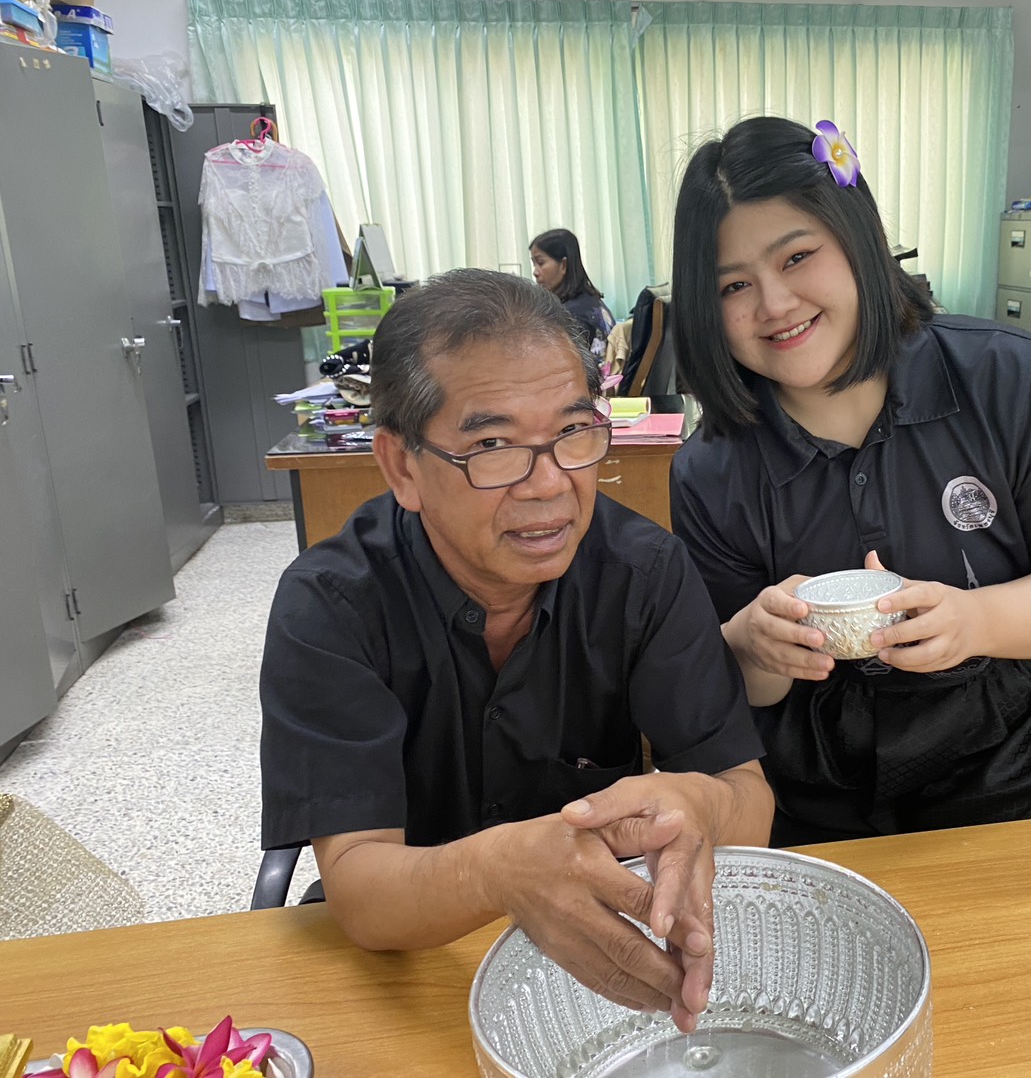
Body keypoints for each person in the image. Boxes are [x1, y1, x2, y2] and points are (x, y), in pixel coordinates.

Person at [259, 269, 772, 1030]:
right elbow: (362, 889)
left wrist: (698, 800)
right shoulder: (331, 605)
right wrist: (499, 870)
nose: (548, 487)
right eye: (492, 445)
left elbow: (745, 795)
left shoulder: (643, 573)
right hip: (412, 966)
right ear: (402, 466)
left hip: (590, 968)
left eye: (571, 433)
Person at [666, 117, 1031, 847]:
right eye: (733, 285)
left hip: (1022, 785)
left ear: (857, 241)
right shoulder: (710, 468)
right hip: (821, 813)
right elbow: (731, 699)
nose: (772, 304)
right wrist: (749, 646)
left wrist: (976, 621)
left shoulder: (1005, 378)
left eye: (796, 257)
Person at [530, 228, 617, 362]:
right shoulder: (590, 301)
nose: (535, 272)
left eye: (540, 263)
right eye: (534, 264)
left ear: (563, 265)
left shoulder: (573, 315)